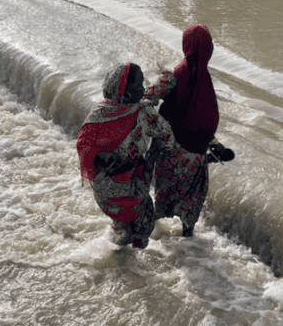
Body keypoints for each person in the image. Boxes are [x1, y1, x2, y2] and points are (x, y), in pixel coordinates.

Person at [144, 24, 234, 237]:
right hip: (197, 153)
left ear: (187, 46)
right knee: (192, 197)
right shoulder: (204, 79)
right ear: (208, 50)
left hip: (172, 149)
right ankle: (188, 241)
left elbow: (149, 96)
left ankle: (148, 235)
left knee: (165, 193)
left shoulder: (175, 76)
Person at [77, 62, 174, 249]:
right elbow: (166, 134)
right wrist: (154, 156)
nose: (142, 88)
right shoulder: (144, 113)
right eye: (138, 85)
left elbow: (83, 145)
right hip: (132, 183)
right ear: (126, 92)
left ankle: (119, 248)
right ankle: (134, 263)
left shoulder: (98, 115)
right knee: (142, 221)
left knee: (122, 222)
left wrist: (104, 160)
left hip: (104, 190)